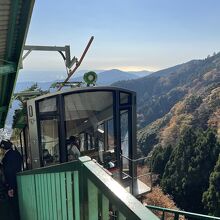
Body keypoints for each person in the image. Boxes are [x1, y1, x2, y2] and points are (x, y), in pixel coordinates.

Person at [0, 139, 22, 220]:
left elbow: (9, 173)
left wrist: (10, 187)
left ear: (3, 148)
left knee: (13, 206)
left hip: (12, 185)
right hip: (19, 182)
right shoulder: (17, 154)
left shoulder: (7, 158)